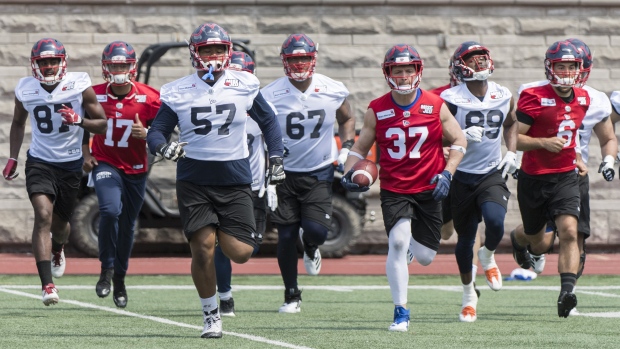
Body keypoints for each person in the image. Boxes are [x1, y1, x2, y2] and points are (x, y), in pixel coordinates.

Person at [146, 23, 284, 339]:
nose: (213, 55)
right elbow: (157, 131)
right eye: (207, 49)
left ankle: (220, 228)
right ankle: (211, 315)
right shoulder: (177, 89)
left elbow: (269, 122)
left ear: (228, 51)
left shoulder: (245, 83)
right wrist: (163, 146)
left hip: (235, 179)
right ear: (195, 52)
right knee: (203, 249)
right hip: (194, 179)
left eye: (218, 49)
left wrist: (275, 156)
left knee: (240, 252)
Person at [342, 44, 466, 331]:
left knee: (425, 258)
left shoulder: (435, 104)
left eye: (408, 69)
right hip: (395, 188)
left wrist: (448, 173)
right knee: (397, 243)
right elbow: (360, 148)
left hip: (429, 187)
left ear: (417, 71)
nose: (403, 75)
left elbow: (460, 141)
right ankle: (401, 311)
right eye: (397, 70)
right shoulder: (377, 108)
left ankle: (412, 248)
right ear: (388, 73)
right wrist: (348, 173)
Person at [510, 38, 617, 315]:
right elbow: (512, 137)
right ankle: (521, 238)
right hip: (534, 175)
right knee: (541, 241)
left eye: (572, 66)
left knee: (571, 231)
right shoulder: (533, 94)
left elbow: (603, 136)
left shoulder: (588, 97)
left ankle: (567, 292)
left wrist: (597, 160)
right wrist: (543, 143)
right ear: (550, 67)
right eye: (561, 66)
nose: (567, 72)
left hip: (569, 174)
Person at [2, 38, 107, 306]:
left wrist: (79, 120)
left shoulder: (79, 84)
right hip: (40, 161)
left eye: (52, 61)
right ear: (34, 64)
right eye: (42, 62)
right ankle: (47, 285)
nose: (48, 66)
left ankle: (58, 248)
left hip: (70, 165)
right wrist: (12, 157)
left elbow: (102, 125)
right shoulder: (25, 88)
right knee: (43, 215)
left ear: (63, 62)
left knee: (60, 227)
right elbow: (17, 123)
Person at [261, 34, 356, 313]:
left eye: (304, 58)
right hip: (284, 173)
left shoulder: (332, 88)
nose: (299, 63)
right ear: (284, 61)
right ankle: (292, 294)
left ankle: (312, 246)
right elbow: (256, 134)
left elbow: (347, 118)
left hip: (319, 170)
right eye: (293, 58)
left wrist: (347, 147)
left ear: (313, 59)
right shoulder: (269, 94)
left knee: (317, 231)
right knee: (287, 235)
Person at [439, 41, 518, 322]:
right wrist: (458, 135)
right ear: (461, 67)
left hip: (490, 172)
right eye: (472, 60)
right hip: (461, 175)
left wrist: (512, 152)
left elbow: (511, 124)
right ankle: (468, 296)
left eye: (482, 58)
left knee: (496, 222)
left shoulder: (503, 93)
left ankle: (488, 255)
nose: (479, 64)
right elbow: (435, 135)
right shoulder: (449, 97)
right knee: (465, 238)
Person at [81, 41, 161, 308]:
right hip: (106, 163)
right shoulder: (93, 94)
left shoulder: (149, 97)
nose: (118, 70)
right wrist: (85, 153)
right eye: (113, 65)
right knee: (109, 210)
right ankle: (106, 269)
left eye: (122, 65)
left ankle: (120, 279)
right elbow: (82, 126)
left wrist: (148, 134)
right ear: (105, 68)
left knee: (127, 227)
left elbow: (166, 130)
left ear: (132, 67)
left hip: (136, 169)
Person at [213, 51, 278, 317]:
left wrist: (271, 182)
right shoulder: (215, 102)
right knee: (220, 244)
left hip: (252, 186)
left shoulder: (262, 107)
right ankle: (225, 296)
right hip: (222, 184)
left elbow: (272, 141)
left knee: (249, 247)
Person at [426, 51, 482, 300]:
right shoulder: (438, 97)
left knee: (472, 225)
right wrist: (443, 146)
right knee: (446, 232)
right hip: (445, 169)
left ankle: (472, 276)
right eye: (467, 64)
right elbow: (423, 135)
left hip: (475, 169)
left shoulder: (489, 94)